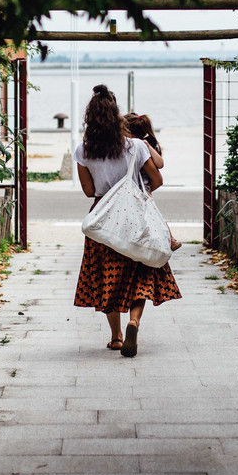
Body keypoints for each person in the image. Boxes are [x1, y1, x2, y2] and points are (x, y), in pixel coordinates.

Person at [73, 85, 181, 357]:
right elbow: (157, 180)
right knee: (140, 273)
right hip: (133, 218)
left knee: (106, 277)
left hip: (103, 220)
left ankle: (116, 336)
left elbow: (88, 191)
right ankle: (134, 321)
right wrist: (135, 194)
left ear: (90, 118)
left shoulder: (83, 150)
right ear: (116, 115)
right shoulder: (135, 146)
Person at [124, 112, 182, 251]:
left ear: (131, 133)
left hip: (141, 187)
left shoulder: (144, 144)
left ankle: (170, 239)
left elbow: (160, 164)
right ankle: (168, 240)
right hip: (143, 187)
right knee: (152, 214)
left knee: (153, 215)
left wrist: (147, 147)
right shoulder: (147, 142)